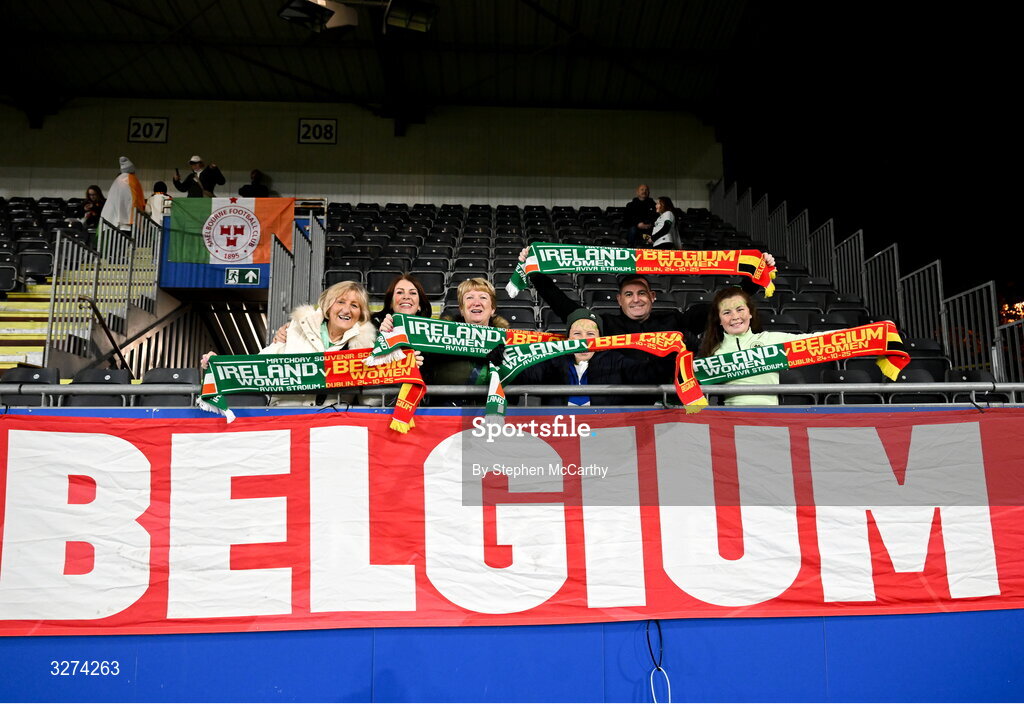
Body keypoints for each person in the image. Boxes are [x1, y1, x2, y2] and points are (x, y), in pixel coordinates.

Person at [202, 281, 377, 407]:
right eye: (340, 302)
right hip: (284, 418)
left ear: (360, 314)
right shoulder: (295, 330)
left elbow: (370, 399)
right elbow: (260, 364)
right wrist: (220, 365)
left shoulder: (365, 348)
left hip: (329, 426)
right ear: (328, 306)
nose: (346, 310)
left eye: (355, 305)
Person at [513, 307, 657, 406]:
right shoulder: (552, 362)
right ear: (568, 339)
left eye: (590, 334)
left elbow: (647, 374)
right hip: (560, 435)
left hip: (603, 436)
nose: (584, 341)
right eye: (577, 334)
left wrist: (671, 357)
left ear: (600, 339)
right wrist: (503, 357)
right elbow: (520, 374)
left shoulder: (615, 360)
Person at [698, 286, 812, 406]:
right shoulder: (712, 352)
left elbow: (817, 341)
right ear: (719, 320)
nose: (735, 317)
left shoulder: (771, 340)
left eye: (740, 309)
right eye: (727, 312)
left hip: (771, 417)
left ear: (750, 313)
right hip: (731, 418)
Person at [100, 156, 145, 230]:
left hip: (111, 218)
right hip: (126, 220)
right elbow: (134, 200)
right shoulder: (132, 180)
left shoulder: (117, 180)